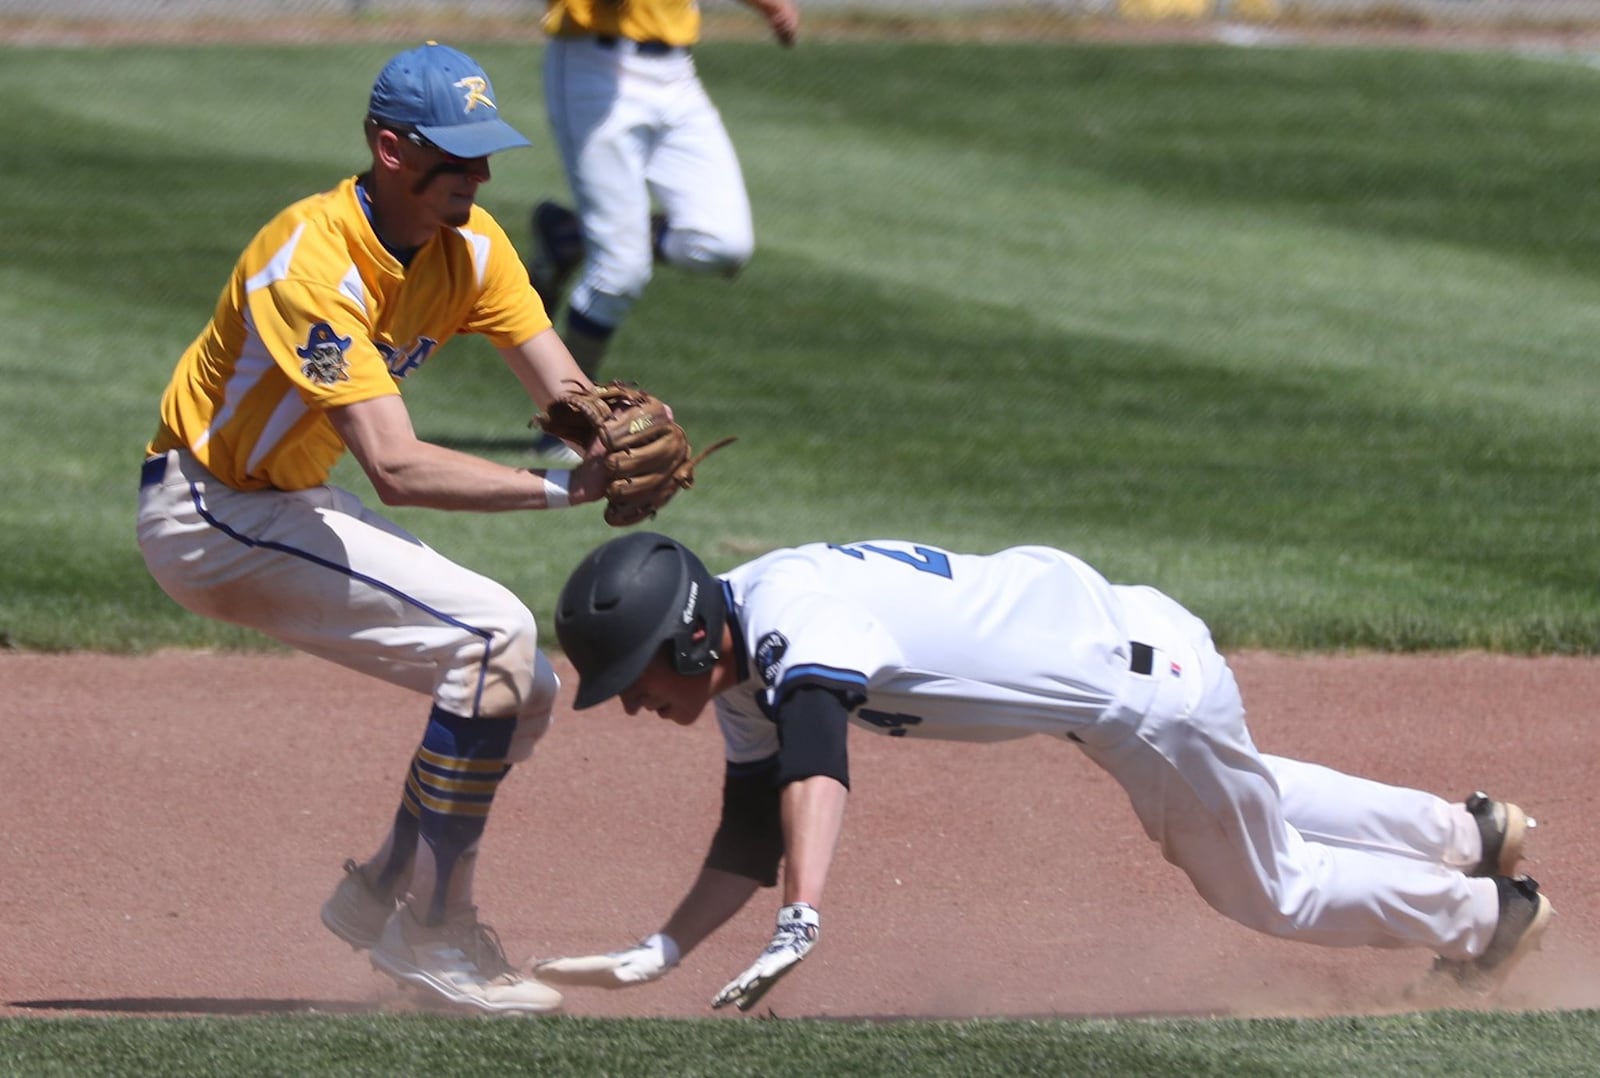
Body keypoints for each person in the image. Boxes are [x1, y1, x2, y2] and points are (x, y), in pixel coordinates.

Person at [537, 532, 1553, 1011]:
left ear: (687, 639)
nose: (631, 701)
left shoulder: (794, 620)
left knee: (1270, 882)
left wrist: (805, 911)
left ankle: (1487, 920)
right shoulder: (750, 652)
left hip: (1144, 698)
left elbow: (817, 747)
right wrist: (666, 947)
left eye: (631, 677)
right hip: (1139, 654)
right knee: (1246, 796)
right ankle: (1465, 835)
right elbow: (753, 822)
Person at [135, 42, 629, 1015]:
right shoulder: (309, 260)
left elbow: (564, 388)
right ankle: (433, 929)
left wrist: (617, 436)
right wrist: (568, 489)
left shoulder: (474, 247)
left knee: (521, 685)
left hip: (282, 504)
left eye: (486, 155)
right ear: (390, 147)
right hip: (207, 511)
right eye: (456, 156)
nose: (478, 176)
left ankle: (380, 888)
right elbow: (396, 469)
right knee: (494, 632)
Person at [525, 0, 800, 464]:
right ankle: (566, 424)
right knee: (619, 272)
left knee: (722, 242)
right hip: (593, 66)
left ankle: (568, 236)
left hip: (676, 73)